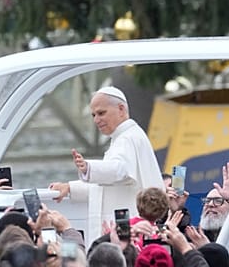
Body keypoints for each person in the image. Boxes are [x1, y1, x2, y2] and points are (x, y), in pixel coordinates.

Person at [51, 86, 162, 242]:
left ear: (121, 109)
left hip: (130, 232)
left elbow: (119, 170)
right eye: (93, 115)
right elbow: (103, 186)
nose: (96, 120)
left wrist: (88, 167)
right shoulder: (124, 137)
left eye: (101, 113)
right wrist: (69, 187)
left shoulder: (127, 138)